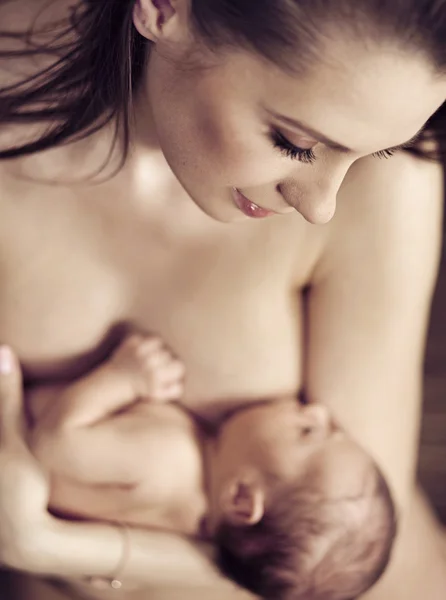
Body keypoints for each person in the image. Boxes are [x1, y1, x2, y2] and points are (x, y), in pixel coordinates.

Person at [0, 1, 445, 600]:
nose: (321, 207)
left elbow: (354, 560)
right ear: (165, 8)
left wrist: (47, 543)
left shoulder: (392, 189)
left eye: (375, 151)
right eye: (293, 142)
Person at [28, 332, 397, 600]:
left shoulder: (168, 459)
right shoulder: (192, 519)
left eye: (307, 432)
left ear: (240, 498)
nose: (317, 409)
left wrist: (122, 378)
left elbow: (53, 444)